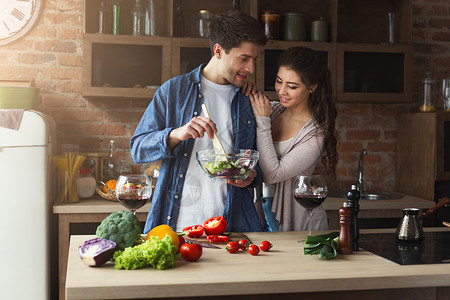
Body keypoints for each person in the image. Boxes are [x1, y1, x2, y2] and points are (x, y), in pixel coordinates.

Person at [130, 10, 267, 234]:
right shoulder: (173, 91)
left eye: (254, 60)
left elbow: (261, 164)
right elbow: (138, 148)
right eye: (244, 59)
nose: (251, 68)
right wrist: (176, 134)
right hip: (176, 226)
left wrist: (251, 176)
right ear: (218, 51)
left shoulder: (249, 100)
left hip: (234, 228)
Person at [249, 46, 338, 231]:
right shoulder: (271, 111)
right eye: (279, 81)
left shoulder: (315, 134)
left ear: (312, 87)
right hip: (261, 211)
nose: (282, 91)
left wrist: (263, 120)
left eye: (292, 86)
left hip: (301, 224)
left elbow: (272, 174)